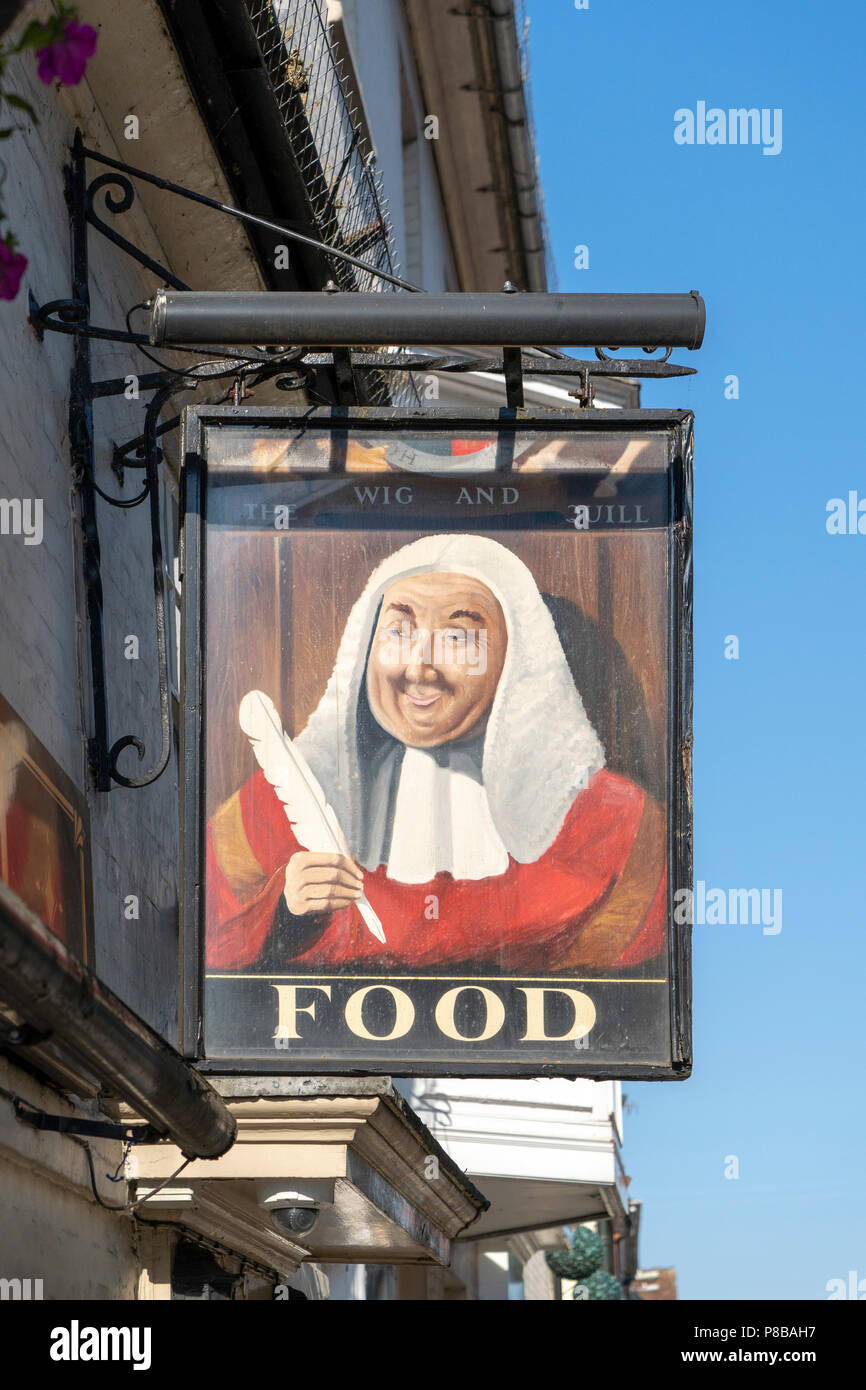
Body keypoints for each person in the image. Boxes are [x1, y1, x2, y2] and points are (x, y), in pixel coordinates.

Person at [206, 534, 665, 974]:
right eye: (399, 631)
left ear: (517, 660)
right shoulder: (268, 811)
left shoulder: (615, 825)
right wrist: (287, 913)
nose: (418, 668)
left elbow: (627, 986)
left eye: (457, 638)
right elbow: (205, 943)